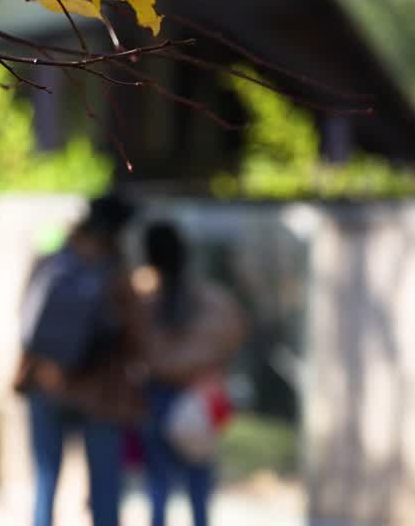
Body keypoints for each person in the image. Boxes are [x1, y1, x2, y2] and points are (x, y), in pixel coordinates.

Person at [14, 193, 144, 526]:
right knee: (104, 485)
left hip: (45, 381)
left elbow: (25, 322)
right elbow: (133, 334)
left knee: (46, 481)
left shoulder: (51, 261)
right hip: (98, 389)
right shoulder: (114, 272)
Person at [137, 222, 247, 526]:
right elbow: (235, 333)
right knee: (198, 483)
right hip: (199, 392)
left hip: (160, 393)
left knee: (159, 485)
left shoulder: (143, 301)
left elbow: (134, 347)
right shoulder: (212, 299)